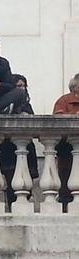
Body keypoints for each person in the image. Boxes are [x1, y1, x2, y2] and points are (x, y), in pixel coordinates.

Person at [0, 74, 39, 205]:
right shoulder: (3, 105)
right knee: (11, 183)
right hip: (8, 148)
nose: (21, 89)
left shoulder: (27, 105)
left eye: (23, 86)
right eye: (18, 86)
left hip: (26, 147)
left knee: (27, 184)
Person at [52, 73, 79, 204]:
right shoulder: (63, 101)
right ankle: (65, 199)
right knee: (65, 174)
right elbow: (58, 121)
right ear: (75, 87)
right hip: (67, 145)